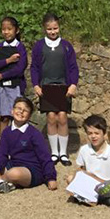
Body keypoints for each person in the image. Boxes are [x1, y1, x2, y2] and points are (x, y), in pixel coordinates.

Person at [30, 12, 79, 166]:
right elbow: (34, 67)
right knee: (51, 117)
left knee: (62, 117)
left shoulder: (66, 46)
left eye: (55, 28)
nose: (53, 31)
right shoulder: (39, 46)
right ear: (45, 29)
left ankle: (63, 153)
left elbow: (73, 67)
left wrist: (73, 84)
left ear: (59, 27)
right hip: (46, 87)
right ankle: (54, 152)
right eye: (50, 29)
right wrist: (36, 85)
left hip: (64, 87)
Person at [0, 96, 57, 193]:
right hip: (13, 164)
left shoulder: (34, 134)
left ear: (29, 116)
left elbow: (45, 156)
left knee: (15, 174)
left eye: (25, 110)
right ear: (12, 111)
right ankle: (5, 182)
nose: (21, 112)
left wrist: (50, 177)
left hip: (30, 170)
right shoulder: (6, 132)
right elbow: (1, 153)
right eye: (18, 108)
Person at [67, 114, 110, 207]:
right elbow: (80, 168)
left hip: (107, 185)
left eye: (96, 133)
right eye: (90, 133)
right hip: (91, 182)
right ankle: (103, 198)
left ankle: (91, 197)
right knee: (70, 178)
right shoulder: (84, 150)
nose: (93, 136)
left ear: (104, 134)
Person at [0, 16, 28, 133]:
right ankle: (4, 145)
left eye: (9, 29)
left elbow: (20, 68)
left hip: (15, 86)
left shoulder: (20, 48)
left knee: (18, 116)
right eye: (3, 29)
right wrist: (9, 60)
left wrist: (3, 75)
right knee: (4, 116)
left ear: (16, 30)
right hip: (1, 87)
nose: (6, 32)